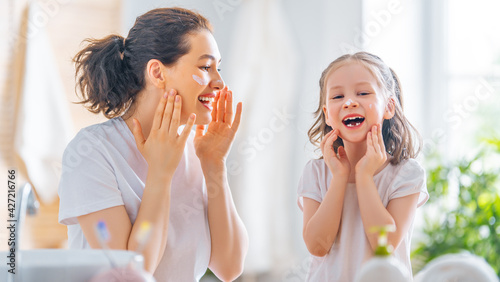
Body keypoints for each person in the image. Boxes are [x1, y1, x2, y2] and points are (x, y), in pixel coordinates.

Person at [58, 7, 248, 282]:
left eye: (219, 68)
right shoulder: (92, 152)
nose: (219, 82)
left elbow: (229, 267)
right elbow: (129, 274)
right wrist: (160, 174)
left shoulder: (196, 151)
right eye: (206, 67)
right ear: (157, 73)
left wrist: (214, 164)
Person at [298, 52, 429, 281]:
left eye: (363, 93)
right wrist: (339, 177)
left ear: (389, 107)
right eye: (338, 96)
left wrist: (365, 176)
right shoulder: (316, 173)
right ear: (327, 115)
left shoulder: (407, 174)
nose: (349, 102)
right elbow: (317, 246)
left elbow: (385, 245)